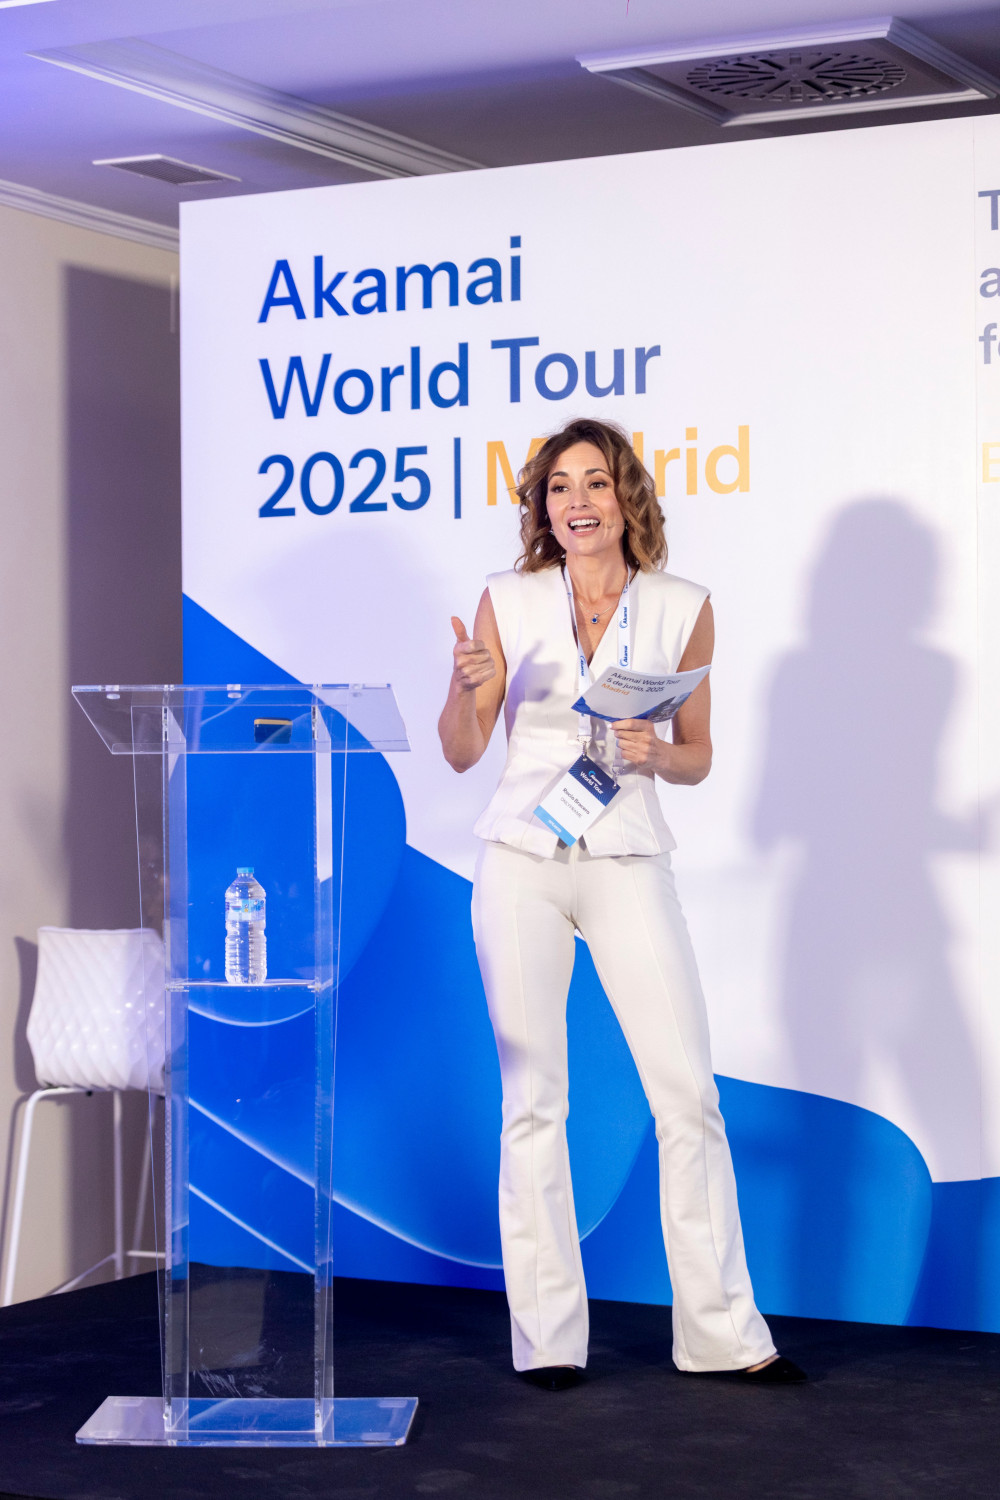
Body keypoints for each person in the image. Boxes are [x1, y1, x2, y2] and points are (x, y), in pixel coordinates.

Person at [438, 417, 805, 1391]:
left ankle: (722, 1336)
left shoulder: (684, 606)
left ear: (625, 495)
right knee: (533, 1102)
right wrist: (469, 688)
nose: (577, 502)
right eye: (559, 487)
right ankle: (548, 1340)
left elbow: (698, 755)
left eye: (594, 483)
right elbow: (462, 750)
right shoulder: (507, 599)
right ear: (542, 507)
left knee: (687, 1095)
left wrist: (656, 754)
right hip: (520, 859)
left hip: (628, 855)